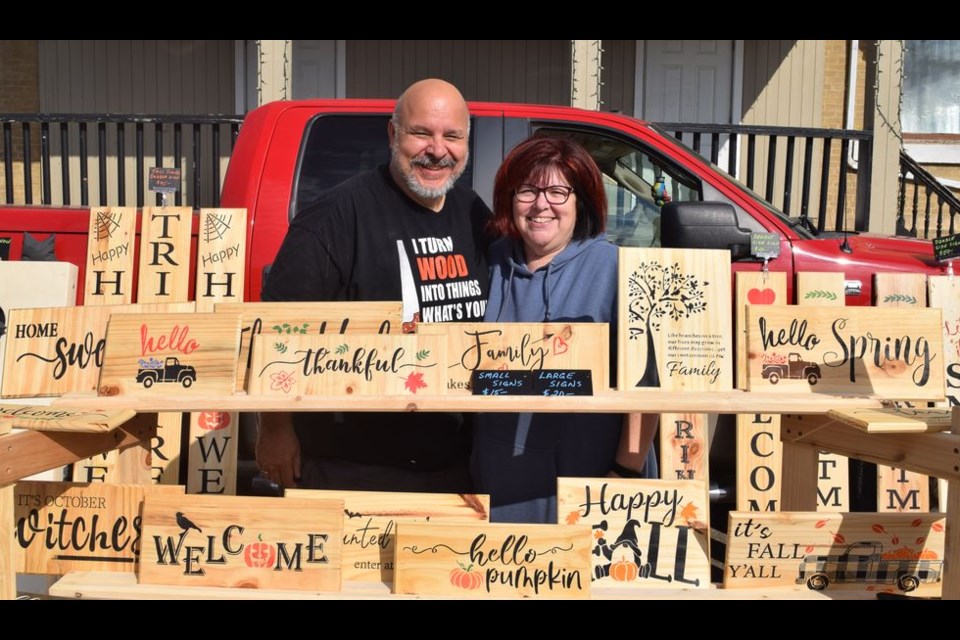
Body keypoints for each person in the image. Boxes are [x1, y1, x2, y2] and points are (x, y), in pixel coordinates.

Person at [257, 78, 491, 493]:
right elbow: (276, 330)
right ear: (393, 134)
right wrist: (275, 429)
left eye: (451, 136)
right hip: (350, 466)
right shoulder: (335, 217)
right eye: (421, 133)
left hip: (454, 465)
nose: (437, 150)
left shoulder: (473, 213)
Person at [471, 136, 659, 524]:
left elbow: (647, 383)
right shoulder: (487, 264)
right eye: (527, 190)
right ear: (510, 198)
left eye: (558, 191)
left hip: (592, 481)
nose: (542, 204)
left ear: (581, 201)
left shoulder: (615, 270)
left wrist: (625, 472)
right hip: (499, 480)